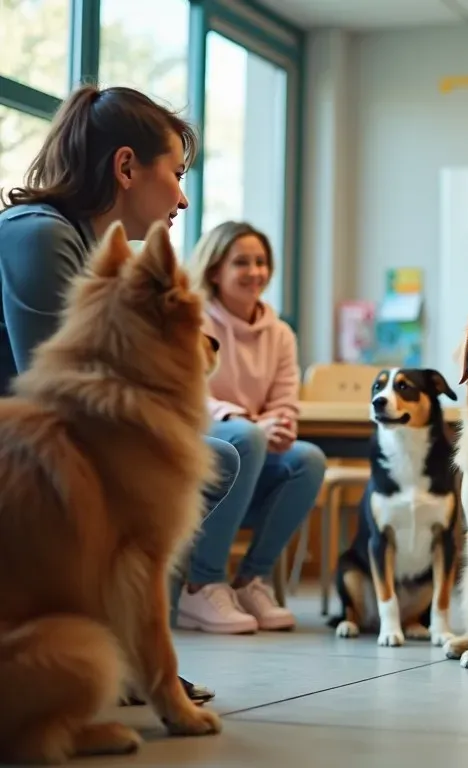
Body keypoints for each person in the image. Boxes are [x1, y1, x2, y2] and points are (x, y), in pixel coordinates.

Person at [0, 83, 239, 705]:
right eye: (177, 173)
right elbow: (58, 394)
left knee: (216, 456)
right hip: (24, 462)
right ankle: (136, 654)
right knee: (209, 460)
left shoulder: (81, 245)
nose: (183, 197)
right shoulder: (40, 235)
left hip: (37, 455)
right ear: (127, 167)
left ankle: (133, 652)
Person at [179, 220, 325, 634]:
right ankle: (201, 584)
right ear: (214, 271)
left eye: (261, 262)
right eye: (241, 262)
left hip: (254, 442)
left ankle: (250, 580)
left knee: (308, 459)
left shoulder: (280, 334)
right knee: (246, 436)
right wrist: (246, 420)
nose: (255, 271)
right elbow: (189, 393)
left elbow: (284, 403)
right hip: (205, 444)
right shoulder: (193, 319)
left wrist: (278, 425)